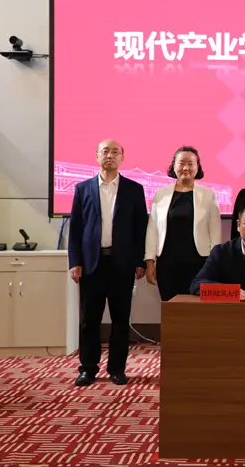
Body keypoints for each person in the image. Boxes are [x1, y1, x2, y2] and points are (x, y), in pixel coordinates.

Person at [68, 139, 148, 386]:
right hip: (91, 265)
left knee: (120, 320)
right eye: (105, 151)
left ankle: (117, 369)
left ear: (123, 157)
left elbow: (140, 228)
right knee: (89, 321)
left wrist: (140, 261)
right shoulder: (83, 189)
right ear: (97, 156)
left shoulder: (134, 190)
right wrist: (75, 261)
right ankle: (88, 368)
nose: (110, 155)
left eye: (115, 152)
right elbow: (76, 229)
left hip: (121, 264)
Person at [145, 146, 221, 301]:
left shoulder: (208, 195)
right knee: (170, 307)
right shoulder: (161, 194)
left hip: (199, 263)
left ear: (197, 167)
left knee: (197, 308)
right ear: (174, 166)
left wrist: (214, 263)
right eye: (181, 163)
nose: (186, 168)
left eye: (191, 164)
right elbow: (152, 230)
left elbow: (215, 232)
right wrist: (150, 261)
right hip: (167, 264)